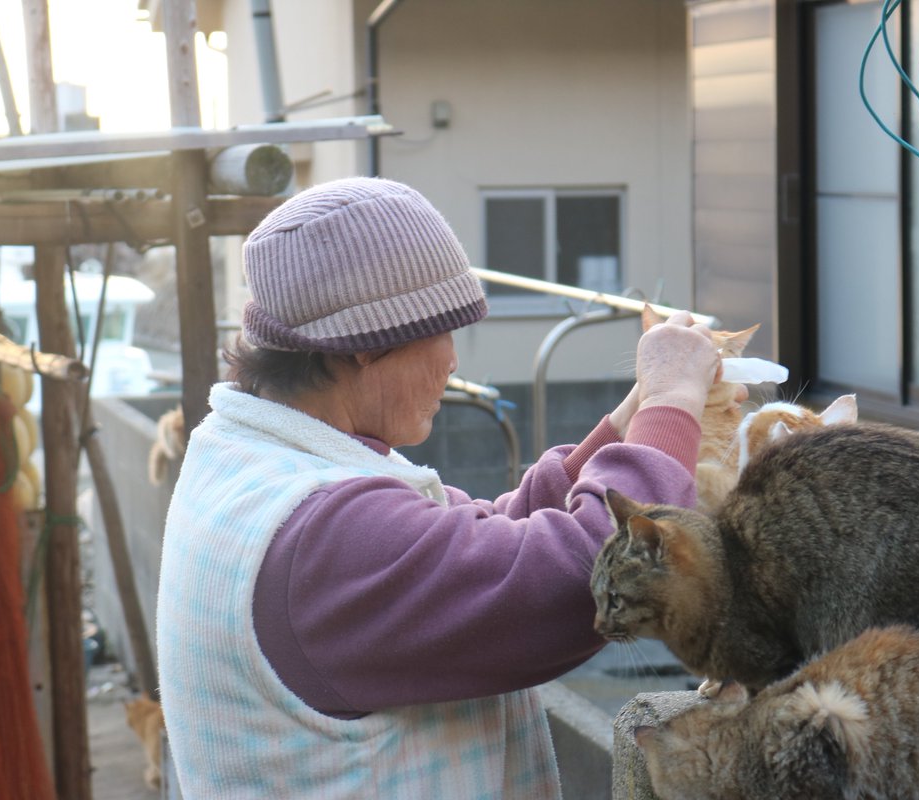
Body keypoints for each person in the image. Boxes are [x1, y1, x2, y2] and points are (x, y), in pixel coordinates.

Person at [156, 177, 721, 799]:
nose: (453, 362)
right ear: (365, 345)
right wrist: (672, 402)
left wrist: (629, 417)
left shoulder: (248, 459)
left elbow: (479, 549)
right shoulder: (323, 534)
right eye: (442, 331)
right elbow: (575, 580)